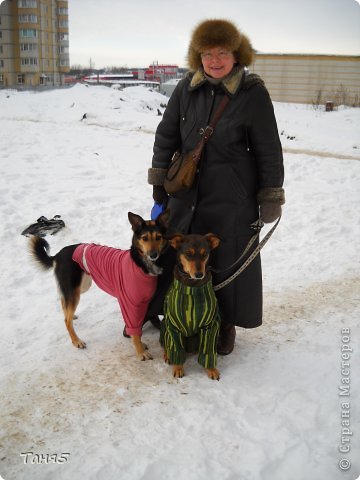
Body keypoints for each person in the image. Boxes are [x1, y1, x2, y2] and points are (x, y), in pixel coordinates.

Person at [147, 19, 285, 355]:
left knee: (227, 261)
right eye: (207, 53)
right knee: (178, 256)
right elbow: (166, 135)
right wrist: (159, 178)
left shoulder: (252, 93)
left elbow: (269, 148)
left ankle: (224, 324)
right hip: (186, 194)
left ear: (236, 54)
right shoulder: (185, 89)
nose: (215, 60)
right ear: (198, 57)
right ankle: (180, 316)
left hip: (231, 199)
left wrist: (270, 194)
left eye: (222, 52)